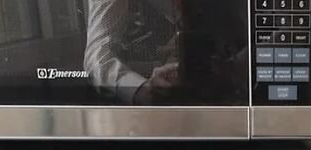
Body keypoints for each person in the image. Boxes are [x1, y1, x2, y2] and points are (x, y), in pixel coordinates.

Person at [84, 0, 248, 106]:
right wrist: (142, 90)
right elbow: (98, 56)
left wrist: (235, 65)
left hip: (230, 94)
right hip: (160, 109)